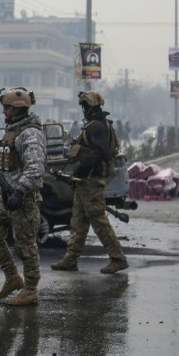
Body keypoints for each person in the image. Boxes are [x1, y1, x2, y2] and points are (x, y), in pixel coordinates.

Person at [51, 91, 128, 275]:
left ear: (91, 107)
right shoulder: (96, 125)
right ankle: (70, 259)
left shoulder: (97, 127)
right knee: (78, 221)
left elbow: (99, 151)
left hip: (91, 180)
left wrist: (81, 169)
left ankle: (117, 258)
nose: (83, 110)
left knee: (98, 221)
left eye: (85, 106)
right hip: (85, 181)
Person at [0, 87, 47, 306]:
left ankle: (30, 290)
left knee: (25, 246)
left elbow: (35, 167)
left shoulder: (30, 133)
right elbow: (9, 161)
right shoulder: (13, 130)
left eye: (7, 108)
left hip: (23, 198)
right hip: (6, 196)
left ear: (18, 108)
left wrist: (20, 191)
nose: (4, 112)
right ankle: (12, 278)